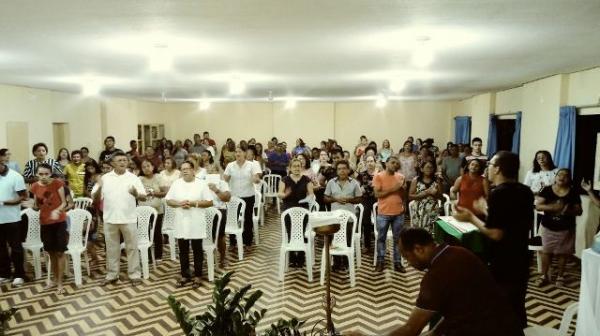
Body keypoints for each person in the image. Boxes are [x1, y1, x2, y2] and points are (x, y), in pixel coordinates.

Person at [351, 228, 522, 336]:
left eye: (406, 257)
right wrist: (434, 332)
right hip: (508, 325)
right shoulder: (458, 251)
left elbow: (411, 330)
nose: (408, 263)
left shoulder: (435, 276)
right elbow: (458, 308)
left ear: (418, 249)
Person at [453, 151, 534, 329]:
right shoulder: (525, 191)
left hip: (503, 260)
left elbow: (496, 233)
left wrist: (470, 218)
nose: (487, 168)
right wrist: (487, 210)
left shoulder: (499, 194)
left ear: (497, 169)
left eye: (490, 165)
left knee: (499, 307)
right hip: (521, 256)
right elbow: (510, 222)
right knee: (517, 306)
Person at [92, 152, 147, 286]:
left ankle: (134, 275)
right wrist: (99, 186)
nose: (123, 162)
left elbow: (143, 197)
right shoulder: (105, 178)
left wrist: (136, 194)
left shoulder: (133, 178)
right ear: (112, 164)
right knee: (111, 249)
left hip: (129, 218)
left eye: (124, 160)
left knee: (132, 248)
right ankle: (112, 275)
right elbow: (95, 198)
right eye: (119, 160)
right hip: (110, 219)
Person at [165, 161, 214, 288]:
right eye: (182, 169)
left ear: (193, 170)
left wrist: (194, 204)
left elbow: (209, 202)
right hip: (181, 221)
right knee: (183, 250)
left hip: (196, 221)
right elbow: (169, 201)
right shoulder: (176, 183)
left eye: (187, 168)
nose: (185, 171)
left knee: (197, 250)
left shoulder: (201, 184)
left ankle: (198, 276)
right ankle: (185, 275)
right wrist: (179, 204)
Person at [535, 168, 582, 287]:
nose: (562, 177)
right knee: (546, 251)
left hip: (566, 228)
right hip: (548, 227)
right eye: (559, 174)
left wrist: (569, 210)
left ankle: (560, 276)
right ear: (555, 177)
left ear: (569, 179)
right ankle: (544, 275)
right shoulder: (547, 190)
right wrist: (554, 208)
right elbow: (538, 206)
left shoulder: (573, 192)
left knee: (563, 253)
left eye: (566, 175)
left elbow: (579, 210)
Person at [30, 163, 68, 294]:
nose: (43, 176)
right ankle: (54, 279)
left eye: (46, 174)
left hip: (59, 222)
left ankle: (60, 284)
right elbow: (37, 206)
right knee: (51, 253)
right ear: (37, 174)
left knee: (60, 252)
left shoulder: (57, 183)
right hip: (45, 223)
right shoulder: (34, 186)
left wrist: (57, 210)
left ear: (50, 174)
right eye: (41, 174)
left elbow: (64, 202)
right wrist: (32, 206)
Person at [324, 159, 362, 270]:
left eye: (344, 168)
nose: (342, 171)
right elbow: (325, 198)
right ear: (336, 171)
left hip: (349, 218)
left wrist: (350, 199)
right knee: (334, 240)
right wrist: (335, 199)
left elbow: (359, 198)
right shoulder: (331, 182)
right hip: (334, 218)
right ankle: (336, 263)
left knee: (348, 240)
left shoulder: (354, 183)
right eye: (339, 169)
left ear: (348, 170)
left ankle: (346, 263)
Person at [373, 155, 406, 273]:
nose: (394, 165)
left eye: (396, 163)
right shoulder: (378, 176)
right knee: (381, 238)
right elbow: (377, 194)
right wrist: (394, 188)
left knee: (398, 239)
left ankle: (398, 263)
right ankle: (380, 262)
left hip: (398, 213)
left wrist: (402, 189)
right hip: (383, 213)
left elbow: (403, 195)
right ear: (386, 163)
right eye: (392, 162)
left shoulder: (401, 177)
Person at [279, 158, 314, 267]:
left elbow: (311, 194)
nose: (296, 168)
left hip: (303, 209)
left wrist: (307, 198)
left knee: (303, 233)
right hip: (289, 209)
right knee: (290, 233)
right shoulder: (284, 179)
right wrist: (285, 195)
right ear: (290, 168)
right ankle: (291, 258)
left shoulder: (307, 179)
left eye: (298, 166)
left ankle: (301, 258)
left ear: (301, 167)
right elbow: (279, 193)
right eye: (294, 166)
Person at [223, 147, 261, 248]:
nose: (237, 153)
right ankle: (232, 241)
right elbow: (225, 179)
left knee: (247, 219)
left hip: (248, 195)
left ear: (245, 153)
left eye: (239, 152)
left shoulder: (251, 165)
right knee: (233, 219)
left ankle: (247, 240)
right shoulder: (230, 165)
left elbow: (256, 178)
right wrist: (224, 177)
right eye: (236, 152)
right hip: (234, 197)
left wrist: (256, 179)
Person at [0, 158, 27, 286]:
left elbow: (23, 196)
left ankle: (19, 274)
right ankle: (4, 273)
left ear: (2, 163)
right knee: (0, 248)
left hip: (12, 219)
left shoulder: (15, 176)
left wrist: (3, 202)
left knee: (15, 247)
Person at [138, 160, 166, 261]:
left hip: (157, 210)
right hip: (143, 211)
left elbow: (164, 193)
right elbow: (138, 194)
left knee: (157, 233)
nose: (146, 168)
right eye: (144, 167)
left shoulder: (158, 177)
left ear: (153, 167)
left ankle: (158, 255)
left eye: (148, 166)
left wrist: (153, 194)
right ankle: (148, 256)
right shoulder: (139, 179)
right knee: (145, 233)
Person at [408, 161, 442, 233]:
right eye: (427, 167)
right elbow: (410, 197)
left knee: (432, 233)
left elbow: (441, 197)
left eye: (431, 167)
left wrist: (434, 194)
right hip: (418, 210)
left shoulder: (437, 180)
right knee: (419, 233)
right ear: (422, 169)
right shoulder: (416, 180)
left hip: (432, 210)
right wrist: (426, 192)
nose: (429, 169)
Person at [357, 155, 379, 254]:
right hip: (365, 199)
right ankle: (366, 245)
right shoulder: (362, 174)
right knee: (366, 222)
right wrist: (361, 188)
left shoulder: (380, 174)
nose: (370, 163)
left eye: (371, 161)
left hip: (377, 199)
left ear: (375, 162)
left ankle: (380, 244)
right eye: (368, 161)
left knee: (379, 222)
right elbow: (358, 188)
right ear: (365, 163)